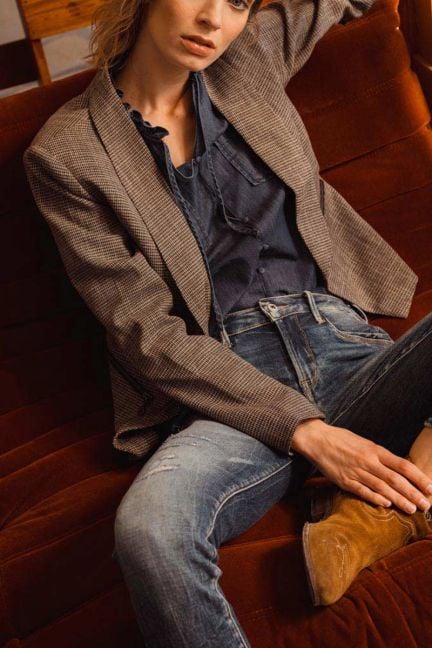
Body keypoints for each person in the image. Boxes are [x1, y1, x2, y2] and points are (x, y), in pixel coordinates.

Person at [23, 0, 432, 644]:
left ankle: (385, 511)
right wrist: (307, 431)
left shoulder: (250, 58)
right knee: (151, 530)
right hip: (230, 390)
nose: (214, 19)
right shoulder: (67, 154)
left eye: (238, 1)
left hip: (347, 347)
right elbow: (148, 337)